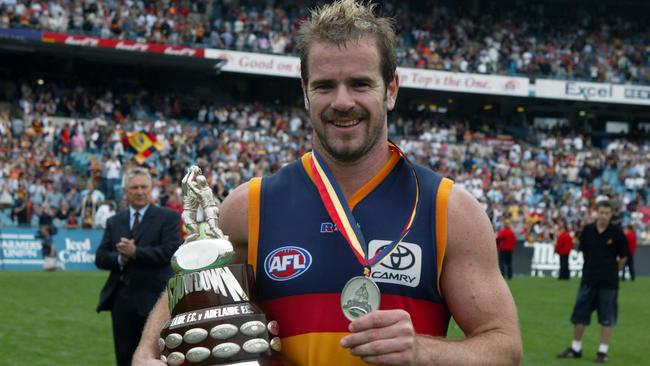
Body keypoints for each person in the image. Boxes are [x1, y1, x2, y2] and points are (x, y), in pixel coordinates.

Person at [133, 1, 522, 365]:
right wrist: (146, 352)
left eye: (359, 83)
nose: (342, 101)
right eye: (324, 86)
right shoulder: (250, 205)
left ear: (391, 89)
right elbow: (187, 292)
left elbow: (504, 345)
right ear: (304, 92)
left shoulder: (448, 209)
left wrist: (422, 350)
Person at [95, 167, 181, 366]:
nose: (140, 191)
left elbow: (171, 252)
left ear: (151, 189)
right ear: (126, 190)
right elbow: (100, 257)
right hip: (122, 301)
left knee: (157, 357)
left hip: (156, 300)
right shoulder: (114, 221)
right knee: (124, 356)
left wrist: (136, 253)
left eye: (144, 187)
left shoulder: (167, 218)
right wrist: (120, 259)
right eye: (134, 187)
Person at [557, 200, 628, 363]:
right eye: (601, 212)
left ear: (611, 215)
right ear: (596, 213)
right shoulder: (588, 230)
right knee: (580, 315)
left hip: (609, 283)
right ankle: (576, 348)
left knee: (607, 318)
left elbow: (623, 257)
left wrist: (612, 271)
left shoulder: (617, 233)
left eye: (607, 213)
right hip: (588, 280)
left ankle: (602, 352)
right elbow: (583, 252)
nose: (604, 215)